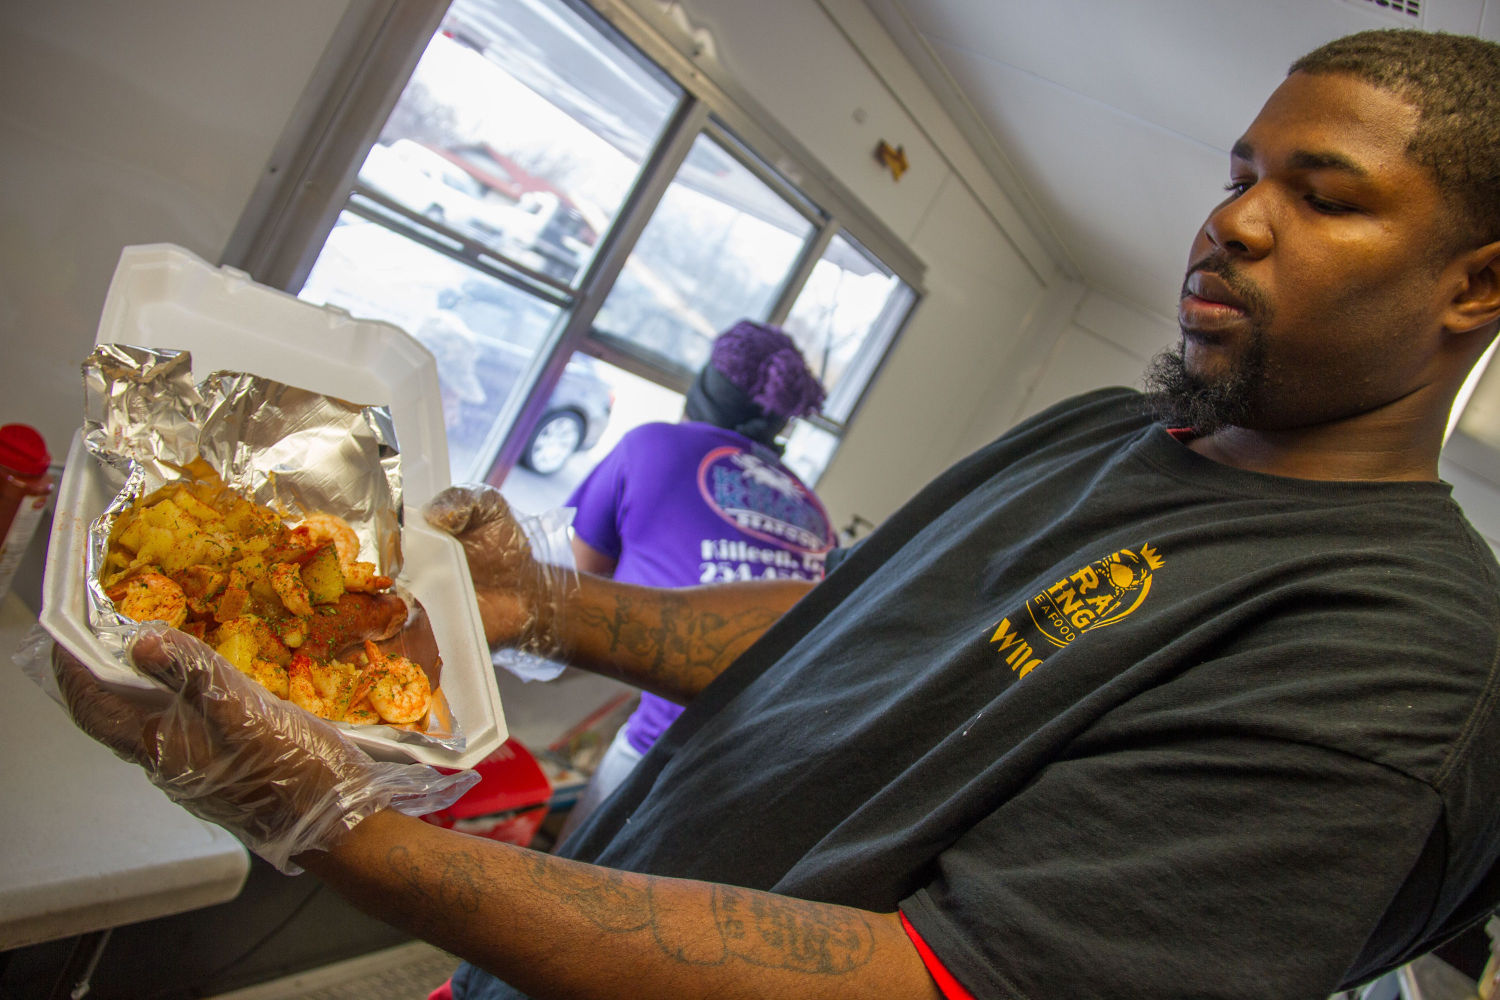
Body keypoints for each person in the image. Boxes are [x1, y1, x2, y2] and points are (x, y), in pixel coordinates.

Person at [47, 27, 1500, 1000]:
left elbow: (943, 980)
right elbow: (853, 638)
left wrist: (342, 828)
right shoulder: (1107, 433)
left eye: (1325, 197)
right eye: (1241, 175)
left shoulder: (1392, 652)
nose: (1235, 220)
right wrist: (546, 605)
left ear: (1477, 285)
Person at [556, 319, 836, 842]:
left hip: (666, 754)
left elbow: (573, 596)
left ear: (705, 386)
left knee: (565, 876)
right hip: (787, 769)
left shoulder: (651, 446)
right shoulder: (811, 506)